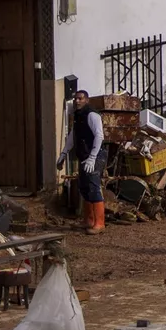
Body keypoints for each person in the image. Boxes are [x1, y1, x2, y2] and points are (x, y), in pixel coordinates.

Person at [56, 88, 106, 235]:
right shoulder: (78, 115)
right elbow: (73, 136)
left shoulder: (92, 115)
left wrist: (93, 157)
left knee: (93, 186)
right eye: (76, 99)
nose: (77, 101)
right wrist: (64, 153)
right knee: (84, 187)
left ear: (87, 100)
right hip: (84, 155)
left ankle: (99, 223)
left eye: (80, 98)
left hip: (95, 155)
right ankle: (89, 220)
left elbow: (99, 136)